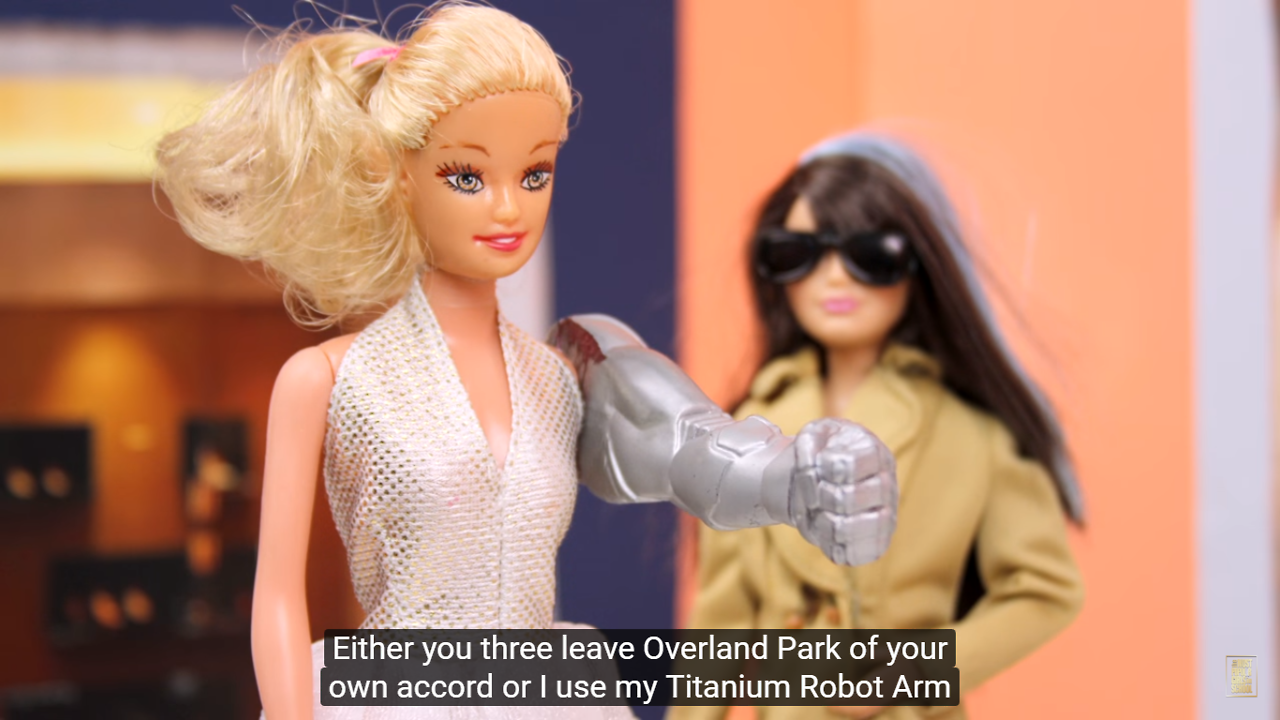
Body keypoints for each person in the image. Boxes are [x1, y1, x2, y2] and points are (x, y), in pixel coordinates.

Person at [155, 6, 899, 720]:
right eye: (467, 177)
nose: (509, 207)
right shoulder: (329, 378)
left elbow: (690, 451)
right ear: (400, 175)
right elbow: (277, 598)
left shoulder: (561, 374)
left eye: (535, 174)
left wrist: (796, 479)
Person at [674, 133, 1084, 720]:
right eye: (798, 253)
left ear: (917, 266)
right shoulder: (747, 434)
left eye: (871, 255)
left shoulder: (974, 434)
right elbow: (723, 623)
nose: (835, 278)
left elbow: (1044, 589)